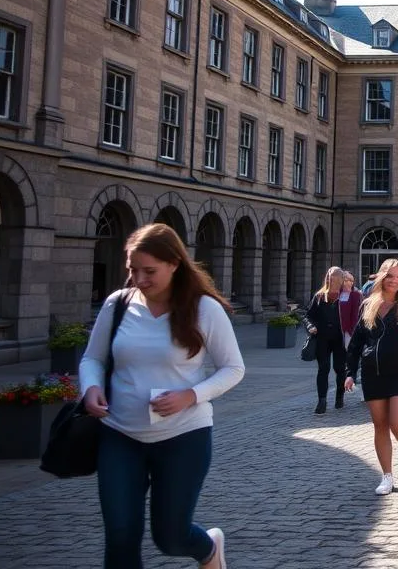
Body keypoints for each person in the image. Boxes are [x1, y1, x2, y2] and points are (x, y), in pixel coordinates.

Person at [80, 223, 245, 569]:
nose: (139, 279)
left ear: (174, 264)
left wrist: (192, 395)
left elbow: (233, 368)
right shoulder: (118, 305)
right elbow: (92, 358)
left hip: (183, 437)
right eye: (132, 269)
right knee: (120, 533)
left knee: (170, 535)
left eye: (149, 271)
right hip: (119, 435)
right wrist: (91, 387)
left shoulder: (204, 309)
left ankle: (209, 548)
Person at [345, 258, 398, 495]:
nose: (394, 280)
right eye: (390, 276)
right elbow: (356, 342)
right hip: (373, 372)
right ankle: (387, 477)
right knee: (380, 425)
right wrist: (350, 373)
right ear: (382, 277)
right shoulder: (367, 305)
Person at [302, 267, 350, 413]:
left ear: (342, 279)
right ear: (327, 279)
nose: (334, 280)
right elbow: (307, 316)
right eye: (331, 277)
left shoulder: (346, 296)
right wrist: (310, 326)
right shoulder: (319, 296)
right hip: (322, 338)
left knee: (339, 369)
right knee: (323, 368)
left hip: (340, 339)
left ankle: (339, 397)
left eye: (337, 278)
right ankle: (321, 401)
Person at [338, 272, 362, 349]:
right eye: (347, 280)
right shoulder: (337, 294)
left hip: (349, 331)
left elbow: (356, 315)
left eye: (352, 281)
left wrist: (352, 332)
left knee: (348, 354)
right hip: (336, 330)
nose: (350, 283)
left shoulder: (355, 295)